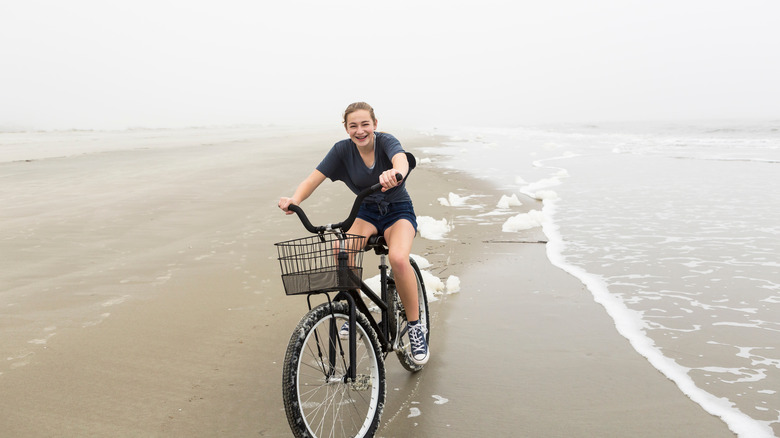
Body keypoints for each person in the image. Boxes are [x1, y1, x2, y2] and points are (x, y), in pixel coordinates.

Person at [278, 102, 428, 365]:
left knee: (399, 259)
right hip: (367, 212)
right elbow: (314, 178)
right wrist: (295, 200)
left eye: (365, 124)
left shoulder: (386, 142)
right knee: (341, 251)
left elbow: (401, 159)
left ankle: (416, 328)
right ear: (346, 128)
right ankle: (356, 310)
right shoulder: (342, 150)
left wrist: (396, 173)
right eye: (353, 126)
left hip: (398, 212)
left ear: (375, 124)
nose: (360, 131)